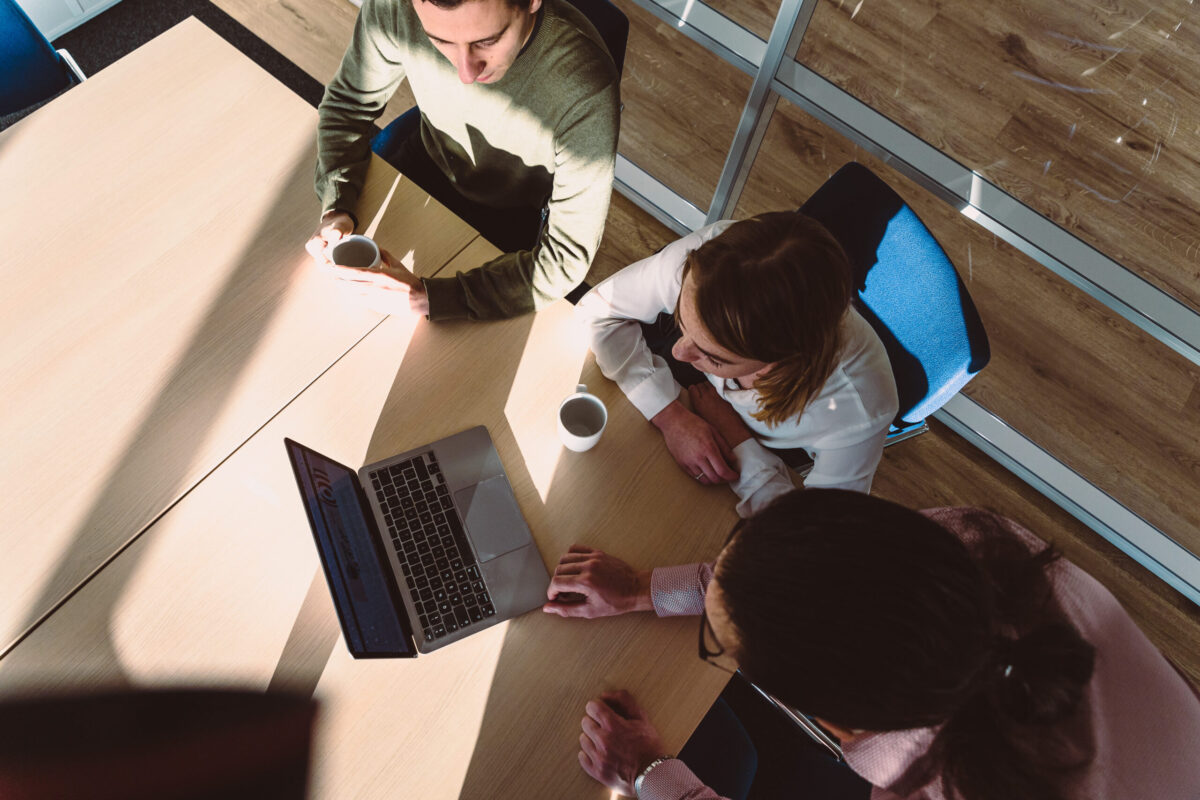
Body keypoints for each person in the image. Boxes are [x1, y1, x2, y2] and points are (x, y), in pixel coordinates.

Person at [543, 489, 1200, 800]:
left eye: (723, 646)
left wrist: (654, 776)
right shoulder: (969, 543)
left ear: (837, 726)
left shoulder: (915, 775)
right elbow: (826, 581)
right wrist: (645, 591)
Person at [305, 0, 620, 321]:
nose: (466, 73)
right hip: (426, 157)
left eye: (487, 41)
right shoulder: (398, 5)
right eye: (440, 41)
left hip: (511, 212)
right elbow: (347, 105)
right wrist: (336, 207)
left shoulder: (585, 84)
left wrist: (426, 300)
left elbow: (565, 260)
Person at [576, 212, 898, 516]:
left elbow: (808, 538)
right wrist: (669, 414)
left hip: (767, 450)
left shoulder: (858, 411)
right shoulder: (714, 259)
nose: (678, 351)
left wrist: (738, 441)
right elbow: (598, 310)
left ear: (783, 361)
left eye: (715, 356)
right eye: (682, 321)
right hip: (688, 401)